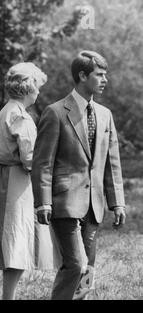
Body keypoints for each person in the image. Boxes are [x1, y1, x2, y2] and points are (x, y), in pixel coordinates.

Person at [31, 50, 126, 300]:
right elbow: (43, 163)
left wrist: (117, 203)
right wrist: (43, 202)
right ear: (83, 76)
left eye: (106, 75)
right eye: (100, 75)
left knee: (87, 272)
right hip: (64, 203)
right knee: (75, 265)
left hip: (94, 205)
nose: (105, 80)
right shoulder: (55, 112)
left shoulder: (105, 115)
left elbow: (111, 164)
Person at [0, 62, 57, 300]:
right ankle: (8, 298)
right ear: (28, 88)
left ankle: (8, 296)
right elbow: (30, 157)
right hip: (18, 180)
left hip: (6, 176)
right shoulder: (21, 116)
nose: (39, 92)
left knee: (13, 239)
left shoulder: (5, 110)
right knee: (16, 240)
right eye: (37, 87)